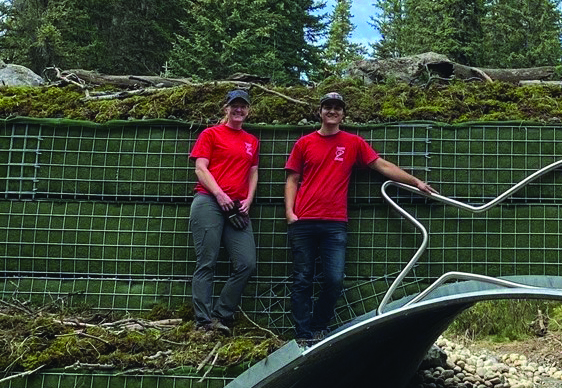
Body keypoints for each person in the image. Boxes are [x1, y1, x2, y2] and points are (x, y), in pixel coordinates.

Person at [281, 92, 435, 346]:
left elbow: (381, 166)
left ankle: (319, 327)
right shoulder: (304, 143)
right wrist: (290, 213)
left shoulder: (353, 143)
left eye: (337, 108)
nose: (332, 112)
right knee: (302, 279)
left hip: (335, 223)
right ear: (320, 112)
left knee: (333, 279)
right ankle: (302, 334)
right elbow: (292, 179)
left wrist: (415, 181)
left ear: (343, 114)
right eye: (327, 107)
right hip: (304, 221)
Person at [186, 89, 259, 333]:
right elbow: (200, 168)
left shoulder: (252, 141)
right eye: (234, 105)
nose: (239, 110)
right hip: (209, 201)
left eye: (243, 106)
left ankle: (222, 315)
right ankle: (203, 321)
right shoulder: (211, 134)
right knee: (207, 261)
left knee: (246, 263)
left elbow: (253, 171)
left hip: (238, 207)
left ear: (248, 110)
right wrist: (219, 194)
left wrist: (249, 199)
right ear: (225, 108)